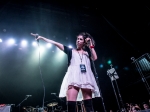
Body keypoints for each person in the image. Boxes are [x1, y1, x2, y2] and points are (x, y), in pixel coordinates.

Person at [31, 32, 100, 112]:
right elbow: (55, 43)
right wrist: (42, 38)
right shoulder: (70, 51)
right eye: (77, 39)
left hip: (86, 77)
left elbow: (94, 58)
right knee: (71, 105)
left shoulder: (87, 53)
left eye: (80, 39)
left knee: (88, 105)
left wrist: (90, 44)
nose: (78, 40)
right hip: (73, 77)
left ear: (84, 42)